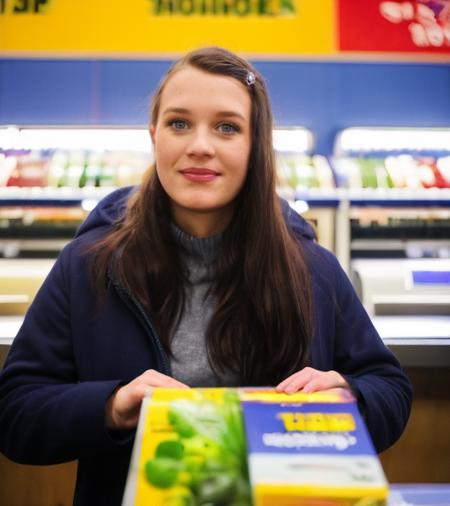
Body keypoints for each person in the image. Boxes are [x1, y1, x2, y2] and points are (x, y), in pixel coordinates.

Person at [0, 47, 412, 506]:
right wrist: (112, 406)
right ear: (153, 135)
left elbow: (390, 388)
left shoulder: (311, 269)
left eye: (227, 127)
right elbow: (15, 412)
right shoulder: (88, 265)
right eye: (179, 123)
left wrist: (351, 395)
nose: (200, 145)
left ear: (256, 145)